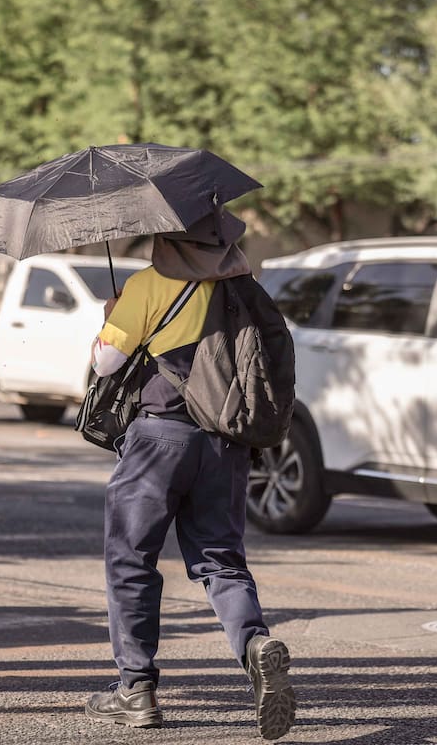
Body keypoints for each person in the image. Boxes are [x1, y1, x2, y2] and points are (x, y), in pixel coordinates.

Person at [83, 208, 296, 741]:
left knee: (131, 559)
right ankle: (254, 645)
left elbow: (106, 362)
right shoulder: (243, 290)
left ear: (170, 240)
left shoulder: (149, 284)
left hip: (159, 440)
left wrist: (113, 317)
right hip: (226, 443)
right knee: (221, 561)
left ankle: (135, 689)